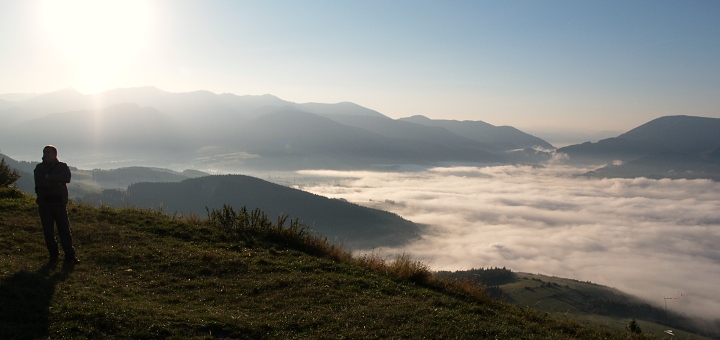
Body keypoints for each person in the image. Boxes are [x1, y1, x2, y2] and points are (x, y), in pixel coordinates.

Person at [34, 145, 79, 264]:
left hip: (58, 204)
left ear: (55, 154)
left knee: (64, 230)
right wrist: (57, 182)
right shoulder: (39, 168)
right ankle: (54, 255)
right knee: (48, 231)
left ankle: (69, 255)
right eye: (45, 152)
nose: (46, 154)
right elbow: (40, 182)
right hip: (45, 204)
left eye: (48, 152)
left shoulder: (62, 166)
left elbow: (67, 178)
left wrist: (48, 177)